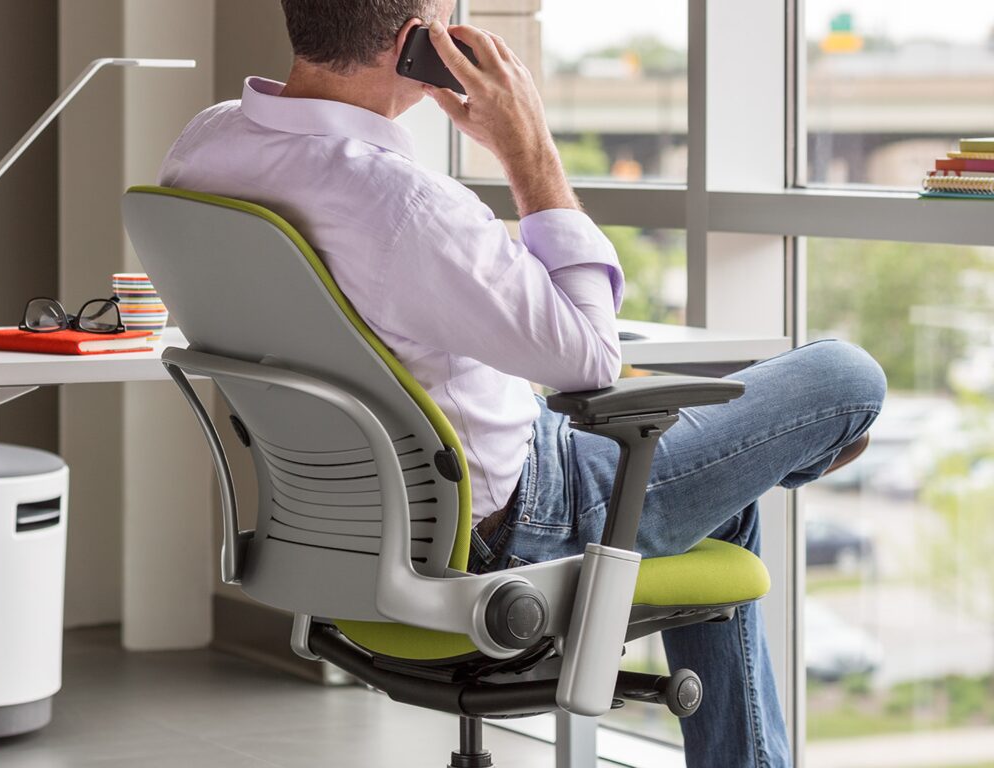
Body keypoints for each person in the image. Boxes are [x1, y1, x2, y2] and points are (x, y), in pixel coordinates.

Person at [158, 2, 886, 765]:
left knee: (722, 498)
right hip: (510, 524)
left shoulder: (206, 147)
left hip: (337, 526)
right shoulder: (403, 203)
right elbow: (590, 358)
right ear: (416, 45)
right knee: (846, 377)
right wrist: (526, 146)